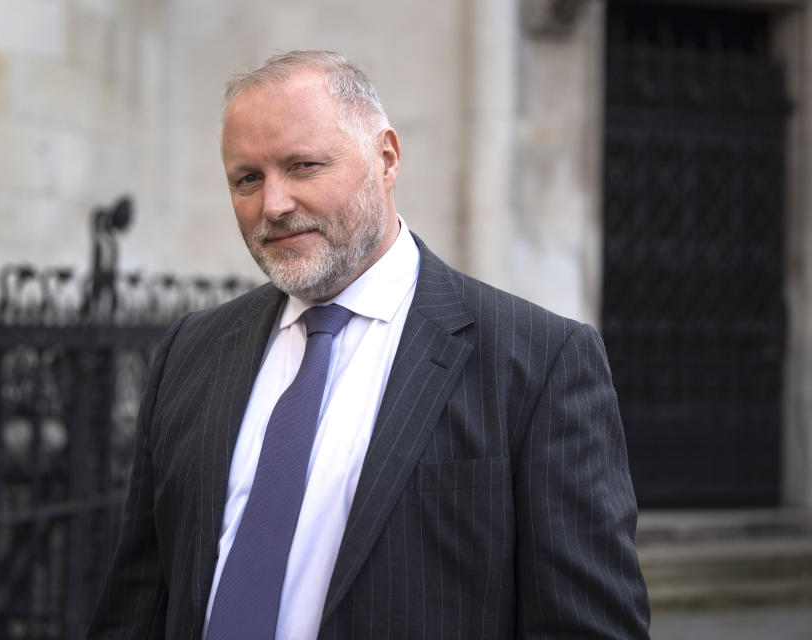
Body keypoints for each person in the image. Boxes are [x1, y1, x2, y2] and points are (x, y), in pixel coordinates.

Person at [88, 50, 650, 639]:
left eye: (303, 166)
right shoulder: (191, 351)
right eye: (247, 178)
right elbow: (138, 603)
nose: (273, 205)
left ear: (386, 158)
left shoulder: (539, 362)